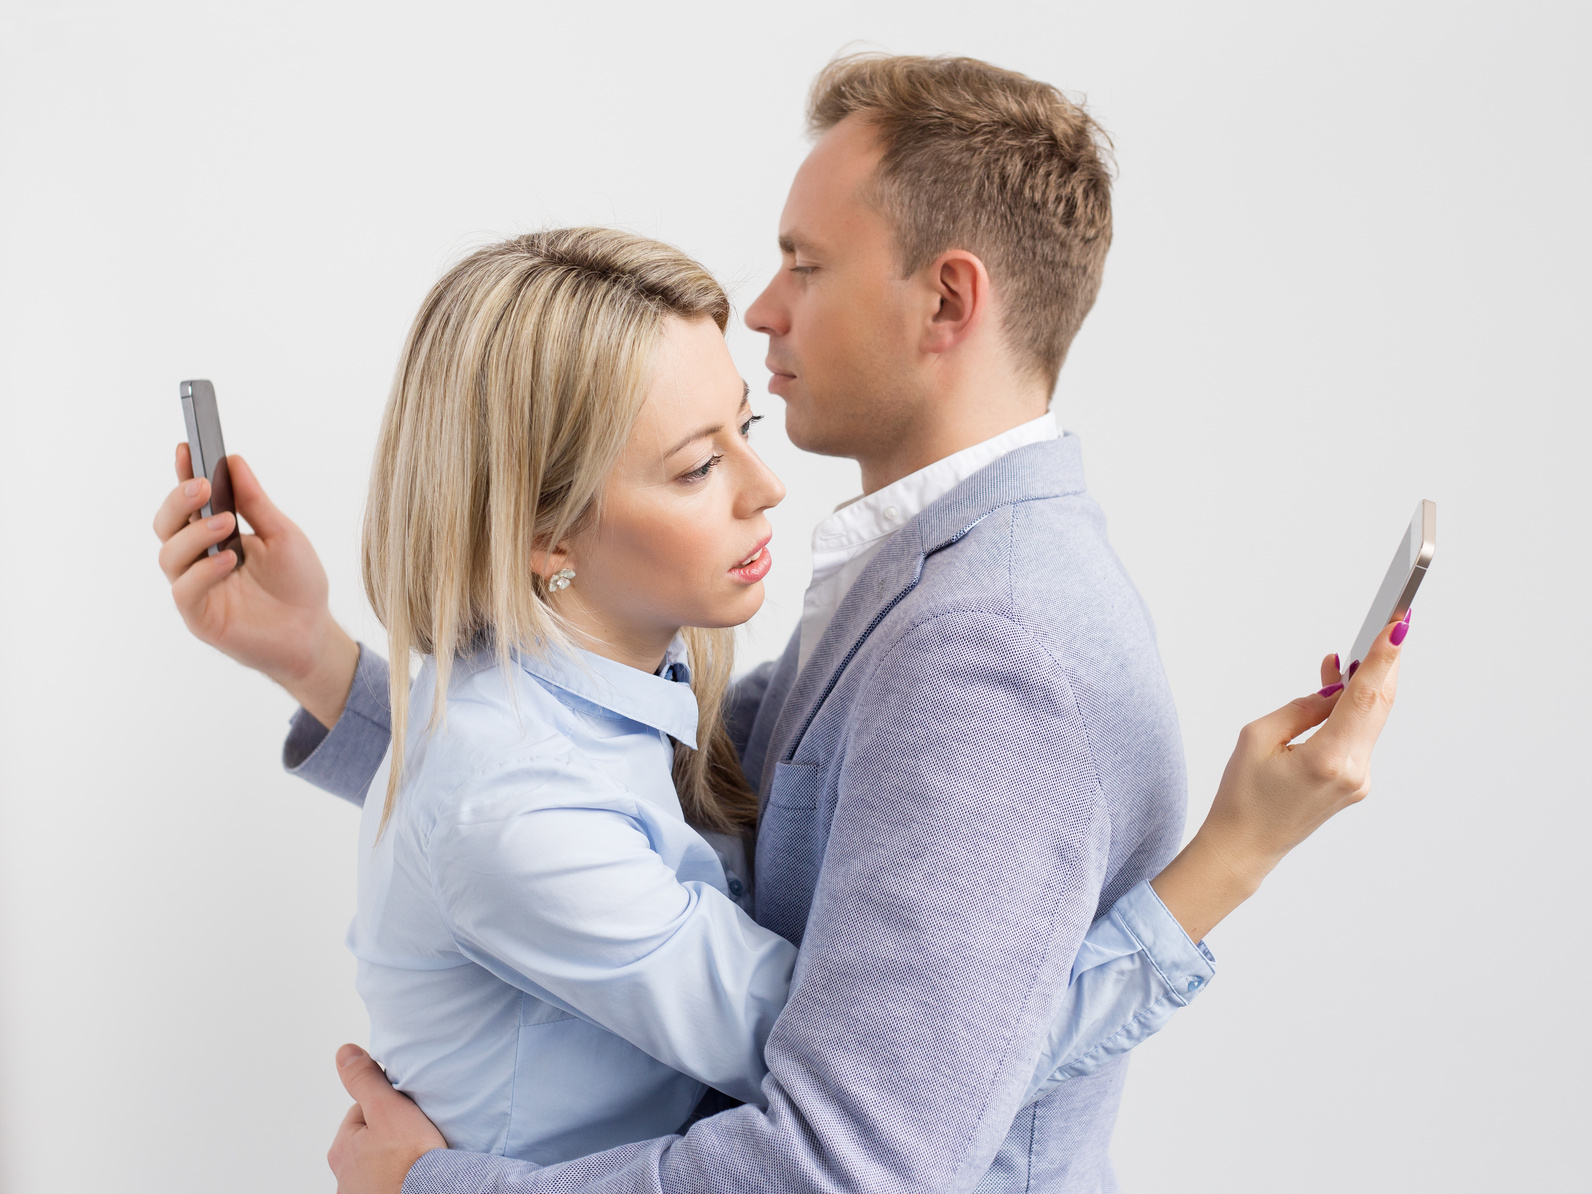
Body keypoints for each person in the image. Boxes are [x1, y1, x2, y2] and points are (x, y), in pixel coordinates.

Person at [152, 54, 1408, 1194]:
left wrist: (435, 1190)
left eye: (805, 263)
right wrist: (316, 660)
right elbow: (593, 806)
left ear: (946, 302)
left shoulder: (987, 650)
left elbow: (857, 1144)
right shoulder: (903, 581)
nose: (763, 307)